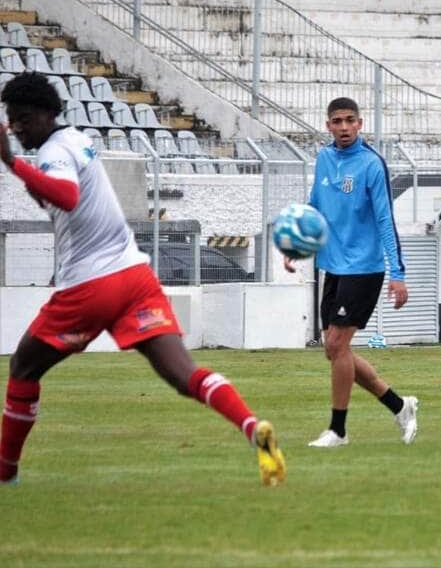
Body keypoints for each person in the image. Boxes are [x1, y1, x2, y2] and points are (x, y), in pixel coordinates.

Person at [0, 72, 285, 487]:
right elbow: (54, 197)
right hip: (134, 277)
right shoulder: (75, 140)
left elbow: (65, 195)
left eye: (23, 117)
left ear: (46, 113)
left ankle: (5, 472)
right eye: (12, 118)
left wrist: (10, 162)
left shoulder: (53, 155)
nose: (18, 126)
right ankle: (252, 428)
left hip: (91, 286)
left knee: (23, 367)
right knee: (183, 374)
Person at [286, 96, 418, 448]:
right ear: (327, 125)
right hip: (333, 266)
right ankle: (399, 405)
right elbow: (315, 208)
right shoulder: (325, 159)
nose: (343, 127)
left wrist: (398, 272)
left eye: (349, 120)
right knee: (334, 350)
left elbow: (385, 220)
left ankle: (338, 431)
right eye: (337, 121)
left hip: (365, 267)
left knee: (336, 343)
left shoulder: (372, 164)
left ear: (360, 124)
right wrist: (295, 247)